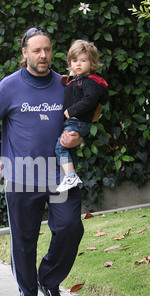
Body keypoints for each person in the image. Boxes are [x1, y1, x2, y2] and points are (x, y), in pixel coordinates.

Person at [0, 27, 84, 296]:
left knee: (71, 228)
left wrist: (79, 137)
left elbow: (81, 123)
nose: (43, 55)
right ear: (25, 53)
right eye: (36, 50)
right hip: (22, 177)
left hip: (61, 175)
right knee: (24, 240)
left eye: (47, 49)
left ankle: (49, 279)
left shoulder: (66, 83)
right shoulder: (8, 87)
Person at [55, 39, 109, 193]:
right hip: (75, 122)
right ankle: (71, 177)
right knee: (69, 149)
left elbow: (90, 100)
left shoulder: (91, 82)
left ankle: (71, 176)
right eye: (74, 61)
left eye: (83, 60)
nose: (78, 64)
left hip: (77, 121)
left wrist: (72, 110)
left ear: (92, 63)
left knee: (60, 147)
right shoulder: (79, 80)